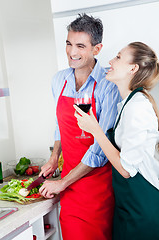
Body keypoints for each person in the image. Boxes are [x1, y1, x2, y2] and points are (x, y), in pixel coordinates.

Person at [39, 13, 121, 240]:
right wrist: (55, 156)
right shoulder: (60, 80)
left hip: (97, 187)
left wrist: (62, 183)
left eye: (80, 46)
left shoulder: (108, 84)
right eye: (68, 43)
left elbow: (101, 148)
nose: (72, 52)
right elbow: (60, 125)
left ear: (97, 48)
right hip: (68, 186)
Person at [74, 41, 159, 240]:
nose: (111, 61)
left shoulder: (137, 107)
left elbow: (126, 169)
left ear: (133, 68)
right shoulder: (127, 104)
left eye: (118, 57)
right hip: (128, 208)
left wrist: (96, 131)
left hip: (142, 210)